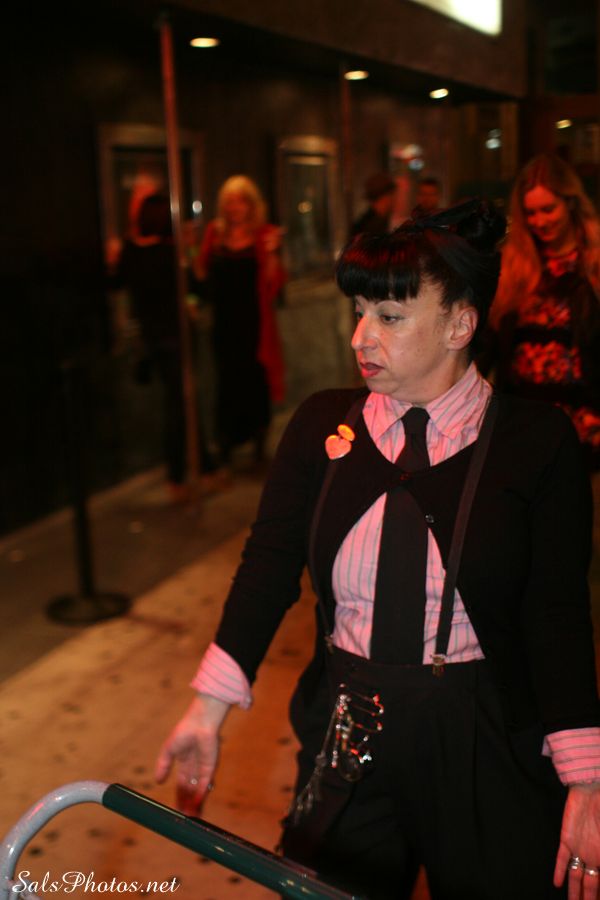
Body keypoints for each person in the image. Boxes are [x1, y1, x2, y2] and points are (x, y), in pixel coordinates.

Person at [156, 199, 600, 899]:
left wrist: (586, 779)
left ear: (459, 325)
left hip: (478, 732)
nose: (361, 336)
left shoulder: (535, 443)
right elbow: (267, 567)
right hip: (346, 724)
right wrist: (207, 710)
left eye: (389, 317)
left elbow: (556, 614)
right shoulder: (319, 427)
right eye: (359, 312)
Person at [485, 153, 600, 467]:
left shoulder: (593, 263)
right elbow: (491, 344)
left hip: (585, 424)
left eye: (548, 209)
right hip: (524, 421)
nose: (540, 222)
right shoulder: (514, 264)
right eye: (531, 213)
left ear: (570, 202)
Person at [193, 175, 286, 467]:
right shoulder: (214, 233)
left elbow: (273, 285)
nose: (234, 208)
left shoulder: (263, 234)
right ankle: (227, 444)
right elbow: (200, 274)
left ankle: (258, 444)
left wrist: (272, 254)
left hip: (254, 323)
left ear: (251, 205)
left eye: (240, 202)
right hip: (223, 323)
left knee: (255, 381)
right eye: (229, 202)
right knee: (226, 382)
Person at [111, 193, 188, 501]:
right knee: (179, 404)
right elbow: (191, 288)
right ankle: (177, 474)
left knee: (181, 401)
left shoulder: (130, 252)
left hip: (151, 337)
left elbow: (116, 283)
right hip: (174, 335)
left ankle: (203, 467)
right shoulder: (170, 253)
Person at [349, 172, 397, 238]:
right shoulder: (373, 226)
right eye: (391, 195)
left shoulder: (371, 220)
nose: (394, 200)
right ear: (384, 197)